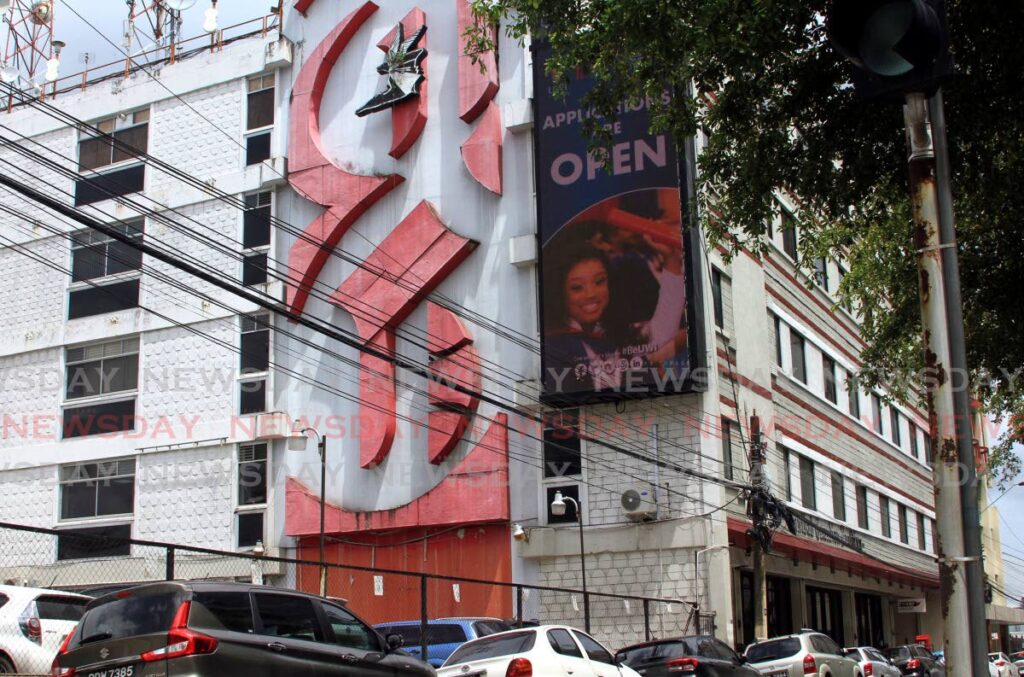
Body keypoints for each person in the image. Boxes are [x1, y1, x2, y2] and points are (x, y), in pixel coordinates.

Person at [542, 239, 688, 397]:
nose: (591, 294)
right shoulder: (553, 346)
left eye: (599, 282)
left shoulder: (622, 332)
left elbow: (665, 326)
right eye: (577, 287)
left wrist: (671, 259)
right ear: (560, 292)